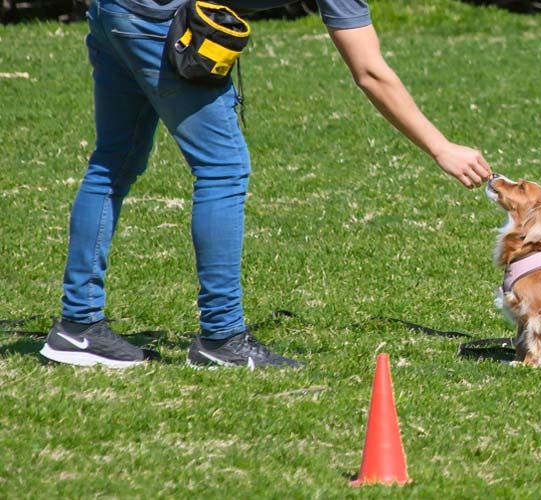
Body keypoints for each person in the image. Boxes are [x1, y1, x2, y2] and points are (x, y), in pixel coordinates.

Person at [40, 0, 493, 369]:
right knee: (222, 169)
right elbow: (370, 71)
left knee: (112, 164)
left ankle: (77, 326)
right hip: (157, 21)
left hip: (111, 11)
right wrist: (441, 147)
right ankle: (222, 338)